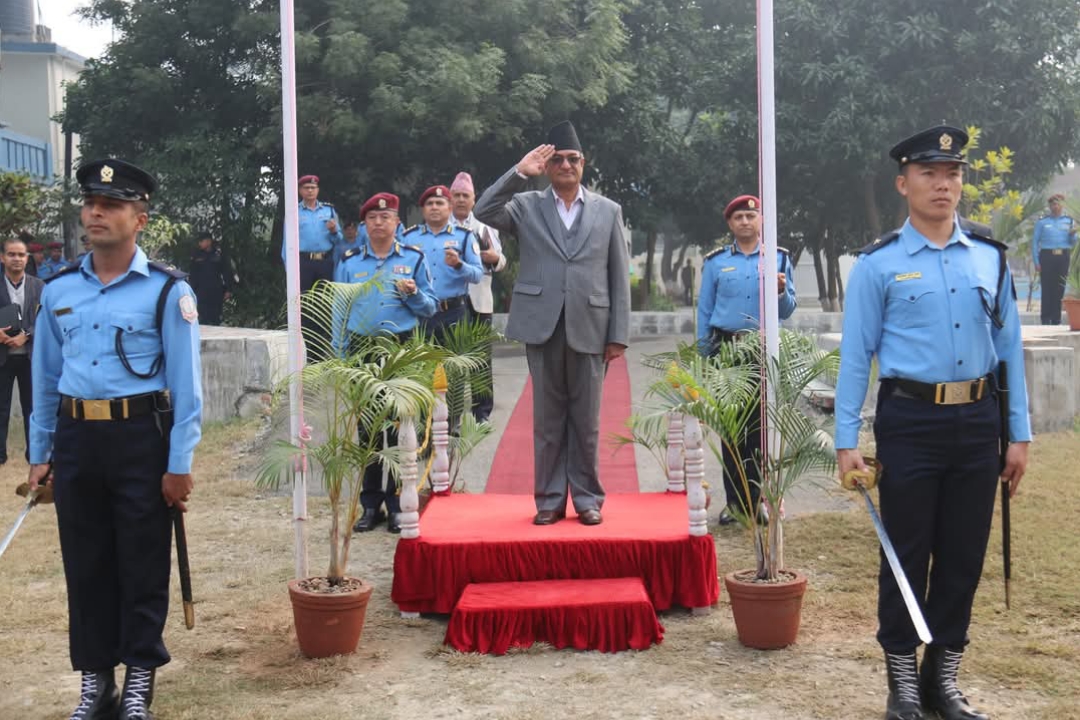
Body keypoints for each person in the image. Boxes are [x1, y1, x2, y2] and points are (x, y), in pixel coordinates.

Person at [834, 126, 1030, 720]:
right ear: (904, 183)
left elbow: (1010, 349)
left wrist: (1017, 433)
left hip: (977, 422)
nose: (943, 184)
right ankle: (902, 683)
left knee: (964, 555)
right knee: (907, 552)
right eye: (929, 173)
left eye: (953, 173)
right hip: (910, 422)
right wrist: (847, 442)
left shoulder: (989, 259)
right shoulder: (878, 265)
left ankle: (941, 678)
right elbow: (855, 356)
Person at [27, 158, 203, 720]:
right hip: (79, 438)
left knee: (142, 561)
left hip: (139, 437)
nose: (96, 213)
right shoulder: (57, 291)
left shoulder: (166, 291)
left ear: (140, 218)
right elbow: (46, 379)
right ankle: (96, 679)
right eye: (90, 204)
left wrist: (178, 464)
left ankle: (139, 680)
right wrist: (41, 454)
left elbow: (186, 385)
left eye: (112, 205)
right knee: (86, 562)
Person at [474, 120, 631, 526]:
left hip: (591, 326)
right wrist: (518, 173)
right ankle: (548, 500)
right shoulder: (526, 207)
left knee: (587, 420)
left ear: (584, 163)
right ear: (546, 166)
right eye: (556, 159)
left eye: (572, 158)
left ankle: (587, 499)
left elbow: (618, 275)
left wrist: (618, 335)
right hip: (542, 325)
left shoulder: (607, 211)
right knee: (546, 420)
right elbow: (483, 210)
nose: (564, 164)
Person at [335, 192, 436, 533]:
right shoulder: (349, 262)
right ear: (364, 224)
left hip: (399, 349)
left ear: (397, 223)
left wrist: (413, 294)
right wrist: (340, 356)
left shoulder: (414, 259)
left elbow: (430, 307)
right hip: (363, 351)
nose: (379, 223)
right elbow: (339, 312)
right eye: (372, 219)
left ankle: (397, 503)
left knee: (400, 428)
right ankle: (370, 504)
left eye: (386, 217)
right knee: (368, 430)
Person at [696, 194, 796, 525]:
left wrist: (781, 290)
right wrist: (704, 355)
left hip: (760, 349)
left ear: (760, 221)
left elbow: (788, 310)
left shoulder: (778, 259)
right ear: (730, 224)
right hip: (726, 350)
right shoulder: (716, 263)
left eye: (750, 216)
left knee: (758, 429)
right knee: (731, 430)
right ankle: (735, 504)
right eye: (738, 217)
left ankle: (758, 503)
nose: (744, 222)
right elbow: (705, 310)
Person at [450, 171, 506, 422]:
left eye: (466, 196)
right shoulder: (443, 228)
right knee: (454, 357)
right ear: (451, 199)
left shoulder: (485, 228)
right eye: (457, 196)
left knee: (481, 357)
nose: (461, 200)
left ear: (474, 200)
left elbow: (502, 261)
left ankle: (482, 412)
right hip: (450, 300)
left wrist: (495, 259)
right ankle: (453, 413)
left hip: (480, 300)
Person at [403, 185, 483, 342]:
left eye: (439, 203)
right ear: (423, 209)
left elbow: (477, 275)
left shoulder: (465, 236)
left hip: (454, 313)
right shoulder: (408, 238)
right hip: (420, 313)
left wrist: (459, 265)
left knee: (455, 364)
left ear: (450, 207)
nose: (434, 207)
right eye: (429, 203)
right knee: (421, 365)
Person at [0, 236, 44, 464]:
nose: (16, 259)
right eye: (11, 254)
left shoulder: (40, 286)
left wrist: (25, 336)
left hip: (30, 356)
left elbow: (46, 319)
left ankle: (34, 455)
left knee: (33, 408)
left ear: (27, 259)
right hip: (2, 357)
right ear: (2, 257)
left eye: (20, 254)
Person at [1031, 193, 1076, 325]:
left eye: (1058, 203)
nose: (1055, 206)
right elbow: (1035, 242)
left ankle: (1056, 319)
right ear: (1050, 206)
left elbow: (1073, 242)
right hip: (1047, 256)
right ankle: (1045, 318)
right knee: (1047, 287)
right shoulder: (1043, 222)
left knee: (1060, 288)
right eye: (1053, 204)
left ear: (1062, 205)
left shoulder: (1069, 221)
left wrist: (1073, 235)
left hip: (1063, 256)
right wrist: (1036, 261)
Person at [187, 231, 233, 326]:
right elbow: (192, 274)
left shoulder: (219, 255)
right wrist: (191, 290)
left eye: (201, 241)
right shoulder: (196, 255)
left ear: (208, 241)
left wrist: (228, 289)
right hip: (201, 290)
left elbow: (227, 272)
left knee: (215, 317)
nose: (199, 244)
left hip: (216, 290)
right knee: (202, 317)